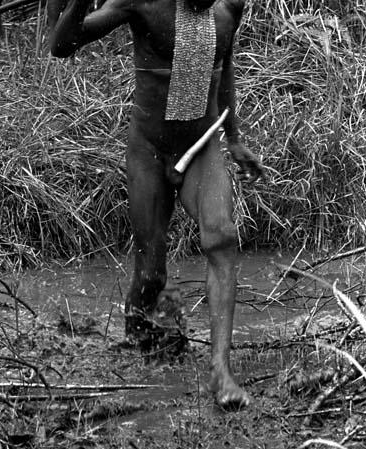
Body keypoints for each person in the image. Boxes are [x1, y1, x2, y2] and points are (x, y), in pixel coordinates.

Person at [50, 0, 263, 409]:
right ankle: (138, 342)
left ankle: (221, 371)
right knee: (151, 270)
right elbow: (62, 46)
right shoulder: (141, 2)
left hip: (201, 145)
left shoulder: (229, 8)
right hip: (148, 150)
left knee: (222, 236)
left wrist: (233, 137)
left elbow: (225, 64)